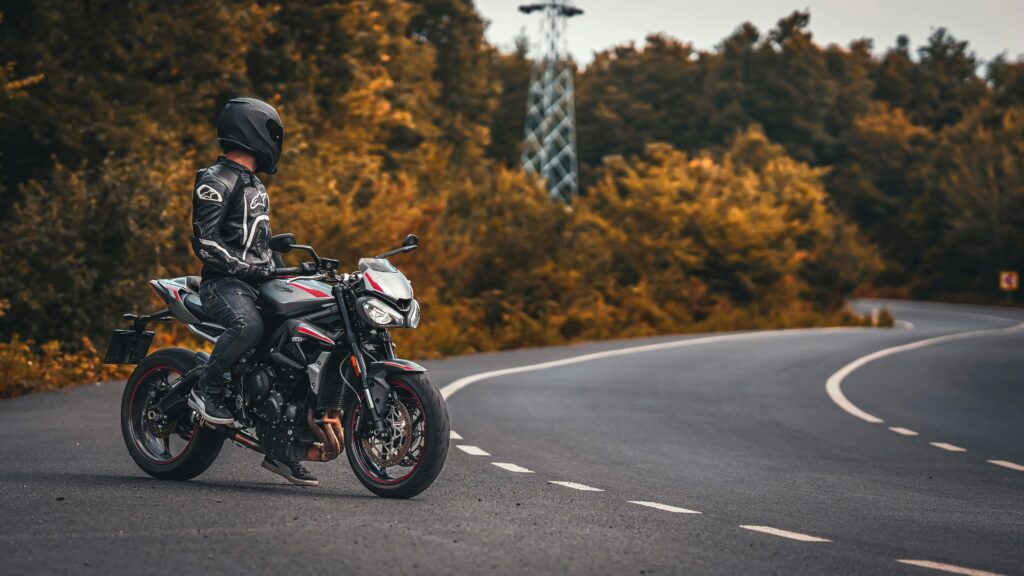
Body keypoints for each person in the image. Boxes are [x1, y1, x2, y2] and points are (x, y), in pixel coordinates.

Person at [187, 97, 318, 487]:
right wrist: (246, 269)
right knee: (248, 327)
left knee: (296, 345)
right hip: (223, 284)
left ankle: (282, 449)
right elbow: (205, 242)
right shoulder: (216, 178)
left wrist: (284, 268)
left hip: (254, 281)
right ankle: (207, 390)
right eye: (273, 134)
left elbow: (256, 244)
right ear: (254, 131)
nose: (276, 142)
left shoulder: (254, 183)